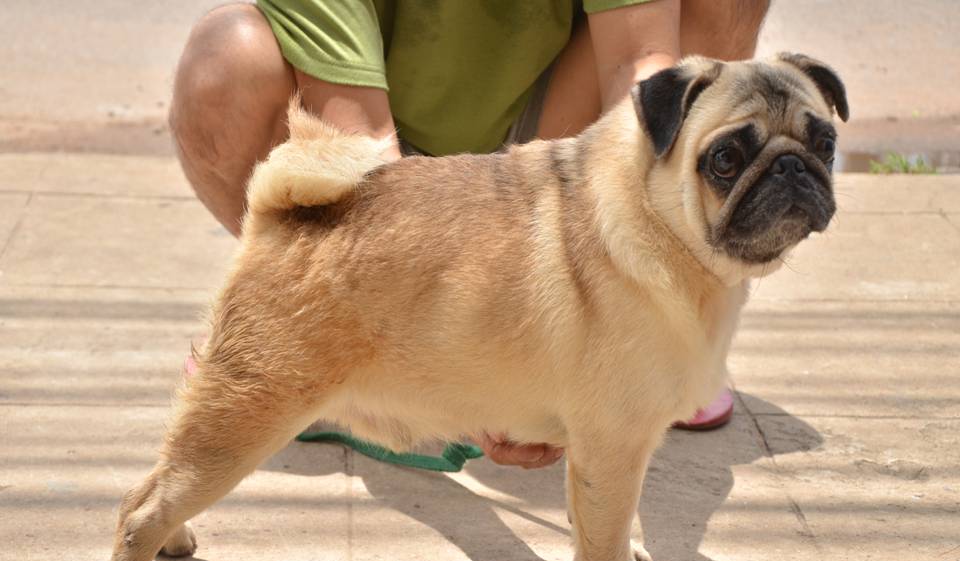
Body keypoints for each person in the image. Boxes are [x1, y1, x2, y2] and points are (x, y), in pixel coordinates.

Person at [169, 0, 770, 468]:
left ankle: (661, 335)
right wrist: (470, 372)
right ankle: (308, 325)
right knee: (226, 59)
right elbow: (366, 147)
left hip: (549, 149)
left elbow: (636, 65)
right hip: (378, 170)